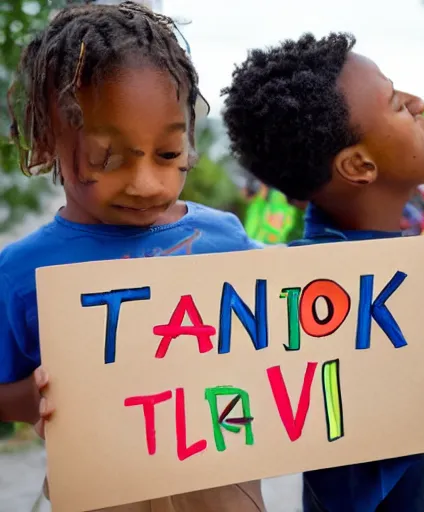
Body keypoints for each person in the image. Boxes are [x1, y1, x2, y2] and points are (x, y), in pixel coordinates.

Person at [0, 2, 265, 511]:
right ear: (49, 140)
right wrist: (37, 398)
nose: (146, 184)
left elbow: (314, 335)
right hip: (102, 494)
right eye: (109, 158)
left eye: (168, 155)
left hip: (226, 490)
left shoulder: (226, 238)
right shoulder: (22, 273)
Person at [222, 32, 424, 512]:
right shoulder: (305, 293)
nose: (417, 102)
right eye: (395, 104)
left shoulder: (403, 266)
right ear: (359, 165)